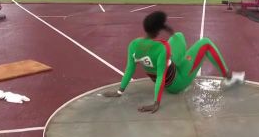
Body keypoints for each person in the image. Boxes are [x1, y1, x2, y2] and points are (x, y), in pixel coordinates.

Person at [103, 11, 245, 113]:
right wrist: (156, 103)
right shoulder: (162, 47)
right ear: (158, 31)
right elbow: (160, 76)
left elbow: (129, 69)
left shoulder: (133, 45)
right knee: (206, 43)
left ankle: (183, 59)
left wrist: (119, 91)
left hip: (168, 73)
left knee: (178, 35)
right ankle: (228, 76)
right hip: (177, 83)